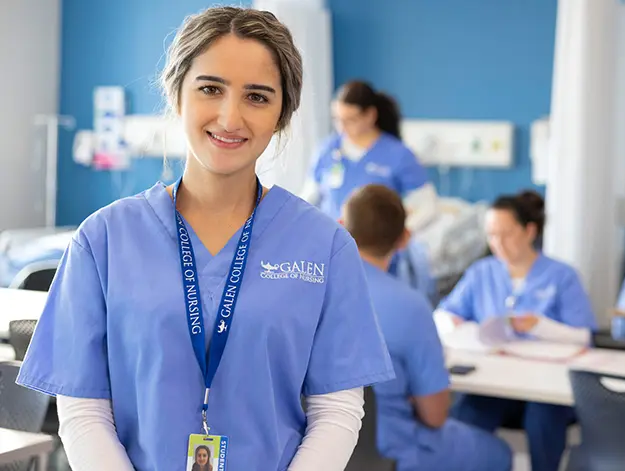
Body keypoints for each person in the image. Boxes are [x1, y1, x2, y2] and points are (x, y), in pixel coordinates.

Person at [16, 7, 394, 471]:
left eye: (257, 96)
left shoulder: (324, 246)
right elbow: (84, 407)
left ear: (281, 114)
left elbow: (335, 411)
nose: (230, 117)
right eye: (210, 89)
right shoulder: (104, 240)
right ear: (177, 95)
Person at [342, 184, 512, 471]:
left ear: (341, 228)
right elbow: (434, 416)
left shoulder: (303, 297)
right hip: (391, 453)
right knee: (499, 453)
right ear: (405, 238)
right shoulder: (410, 307)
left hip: (319, 451)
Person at [434, 190, 597, 471]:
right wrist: (455, 323)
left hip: (545, 390)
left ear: (529, 231)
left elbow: (583, 336)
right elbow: (442, 314)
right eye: (491, 235)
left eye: (505, 234)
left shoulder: (562, 276)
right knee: (466, 413)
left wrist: (541, 326)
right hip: (495, 383)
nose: (497, 243)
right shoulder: (482, 272)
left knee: (542, 419)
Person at [300, 80, 437, 231]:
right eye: (337, 119)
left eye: (351, 120)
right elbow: (309, 199)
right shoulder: (327, 150)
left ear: (370, 115)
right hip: (332, 245)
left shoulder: (398, 155)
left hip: (379, 249)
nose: (342, 127)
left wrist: (404, 232)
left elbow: (426, 205)